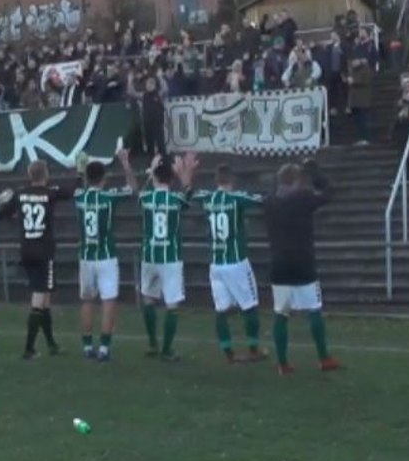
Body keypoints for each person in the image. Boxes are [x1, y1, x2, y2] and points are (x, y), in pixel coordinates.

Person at [262, 159, 340, 375]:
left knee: (281, 313)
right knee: (314, 309)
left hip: (279, 263)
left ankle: (282, 363)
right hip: (303, 262)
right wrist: (315, 171)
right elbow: (329, 192)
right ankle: (324, 358)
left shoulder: (270, 202)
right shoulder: (303, 199)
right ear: (297, 181)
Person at [0, 160, 72, 360]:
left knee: (44, 299)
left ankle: (51, 344)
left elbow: (1, 215)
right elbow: (70, 191)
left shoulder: (20, 194)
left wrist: (4, 202)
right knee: (39, 298)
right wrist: (80, 175)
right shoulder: (49, 193)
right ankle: (29, 348)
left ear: (30, 175)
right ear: (45, 174)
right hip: (44, 251)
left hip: (26, 250)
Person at [196, 164, 268, 364]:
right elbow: (262, 201)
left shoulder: (208, 198)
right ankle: (253, 349)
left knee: (221, 310)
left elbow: (192, 194)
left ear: (216, 180)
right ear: (232, 179)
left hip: (215, 264)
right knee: (250, 306)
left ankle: (229, 354)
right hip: (236, 262)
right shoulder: (237, 198)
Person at [75, 148, 136, 362]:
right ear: (104, 178)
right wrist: (125, 163)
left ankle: (87, 346)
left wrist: (81, 171)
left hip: (86, 256)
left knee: (87, 301)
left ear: (87, 178)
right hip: (106, 256)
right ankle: (104, 348)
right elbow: (132, 188)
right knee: (108, 301)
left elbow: (80, 187)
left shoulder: (79, 197)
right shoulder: (109, 197)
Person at [137, 153, 198, 362]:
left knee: (149, 299)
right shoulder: (176, 199)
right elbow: (189, 195)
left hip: (149, 255)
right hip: (170, 257)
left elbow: (140, 192)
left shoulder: (146, 198)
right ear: (171, 179)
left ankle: (152, 343)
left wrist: (150, 173)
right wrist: (185, 177)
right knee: (172, 304)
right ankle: (167, 349)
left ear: (154, 176)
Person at [346, 57, 374, 146]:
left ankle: (366, 138)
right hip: (355, 101)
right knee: (357, 121)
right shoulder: (352, 70)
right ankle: (360, 138)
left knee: (363, 120)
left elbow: (366, 80)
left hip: (362, 100)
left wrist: (354, 81)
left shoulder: (366, 68)